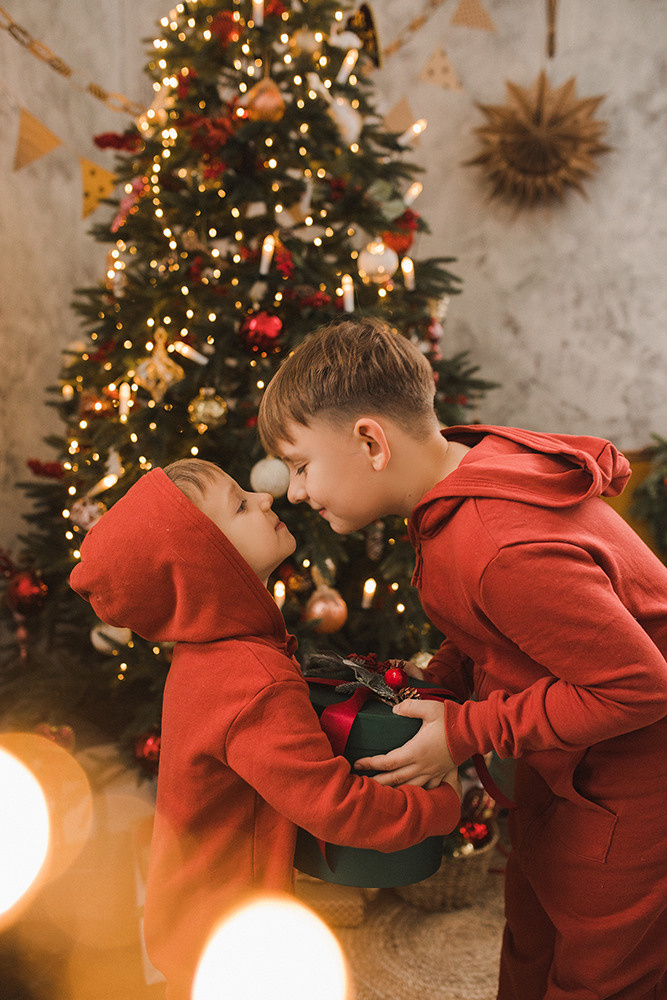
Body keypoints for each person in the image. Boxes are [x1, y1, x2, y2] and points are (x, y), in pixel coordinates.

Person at [257, 316, 667, 1000]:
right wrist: (441, 681)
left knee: (601, 970)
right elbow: (495, 628)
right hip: (567, 758)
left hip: (636, 781)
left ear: (371, 442)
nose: (295, 492)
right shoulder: (455, 488)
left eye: (301, 466)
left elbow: (640, 686)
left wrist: (466, 731)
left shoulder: (499, 545)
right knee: (532, 929)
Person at [69, 457, 461, 1000]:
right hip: (233, 937)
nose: (264, 497)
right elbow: (333, 805)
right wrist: (439, 806)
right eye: (239, 504)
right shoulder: (252, 679)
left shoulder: (206, 655)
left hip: (197, 916)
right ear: (211, 563)